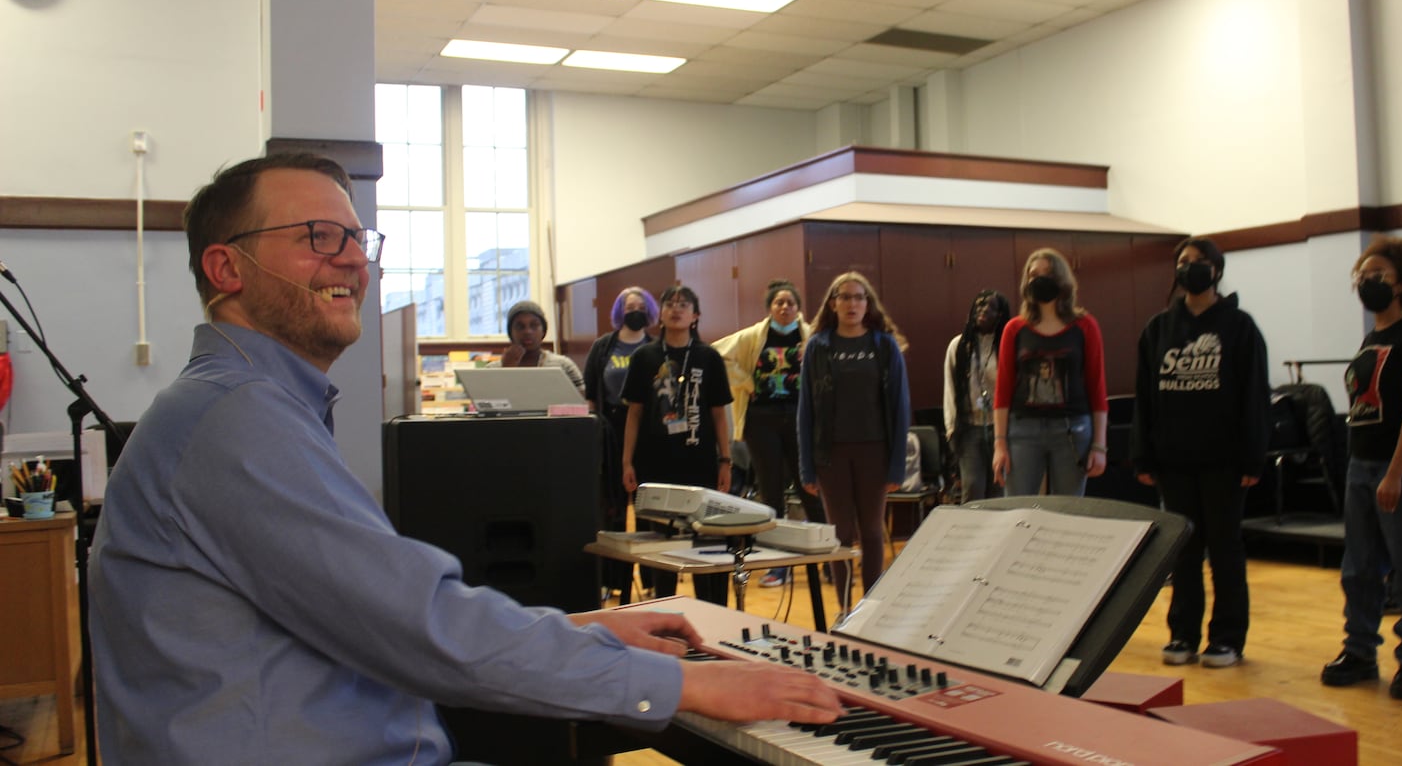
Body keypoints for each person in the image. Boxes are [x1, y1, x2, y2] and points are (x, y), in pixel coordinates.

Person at [85, 153, 841, 763]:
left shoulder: (246, 404)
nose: (353, 262)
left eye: (359, 240)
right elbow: (411, 623)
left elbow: (362, 614)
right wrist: (682, 685)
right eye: (320, 236)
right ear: (227, 270)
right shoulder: (235, 416)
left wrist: (577, 631)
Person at [1132, 237, 1270, 670]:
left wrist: (1253, 457)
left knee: (1225, 550)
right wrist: (1143, 455)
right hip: (1174, 460)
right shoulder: (1157, 329)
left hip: (1225, 461)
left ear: (1216, 270)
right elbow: (1144, 397)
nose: (1190, 268)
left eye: (1199, 262)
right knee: (1182, 552)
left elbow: (1255, 396)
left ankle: (1228, 638)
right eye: (1183, 261)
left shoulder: (1240, 327)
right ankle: (1182, 634)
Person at [1320, 236, 1402, 701]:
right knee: (1360, 567)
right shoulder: (1372, 338)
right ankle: (1359, 651)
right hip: (1363, 462)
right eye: (1362, 276)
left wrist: (1394, 473)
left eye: (1378, 277)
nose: (1367, 283)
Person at [798, 271, 911, 608]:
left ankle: (870, 607)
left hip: (875, 451)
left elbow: (900, 407)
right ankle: (845, 607)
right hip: (830, 454)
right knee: (840, 532)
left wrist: (896, 466)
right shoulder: (819, 347)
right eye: (844, 297)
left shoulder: (883, 345)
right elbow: (806, 410)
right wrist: (807, 467)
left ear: (868, 304)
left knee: (873, 532)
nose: (851, 303)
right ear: (833, 304)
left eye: (858, 297)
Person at [621, 284, 736, 603]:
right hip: (654, 462)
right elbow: (634, 414)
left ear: (695, 315)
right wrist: (626, 461)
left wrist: (725, 461)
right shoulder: (644, 357)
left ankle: (711, 614)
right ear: (660, 314)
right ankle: (665, 610)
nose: (676, 308)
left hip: (699, 462)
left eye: (683, 304)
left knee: (706, 544)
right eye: (669, 303)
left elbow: (718, 415)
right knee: (661, 546)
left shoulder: (708, 357)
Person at [712, 278, 824, 590]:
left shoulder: (813, 335)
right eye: (779, 302)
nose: (785, 307)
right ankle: (777, 564)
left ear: (799, 308)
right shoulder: (753, 336)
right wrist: (745, 382)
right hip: (761, 421)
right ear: (770, 308)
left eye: (790, 302)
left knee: (810, 488)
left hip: (802, 420)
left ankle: (825, 555)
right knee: (770, 492)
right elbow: (718, 354)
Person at [992, 248, 1108, 497]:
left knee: (1068, 514)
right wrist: (999, 443)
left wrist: (1099, 445)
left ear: (1062, 279)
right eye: (1034, 274)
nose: (1040, 279)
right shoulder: (1015, 328)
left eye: (1047, 273)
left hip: (1072, 430)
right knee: (1016, 511)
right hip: (1023, 430)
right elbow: (1003, 390)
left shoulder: (1085, 326)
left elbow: (1096, 387)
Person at [583, 286, 659, 598]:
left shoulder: (656, 347)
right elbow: (590, 393)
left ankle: (654, 580)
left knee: (649, 507)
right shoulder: (603, 347)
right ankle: (611, 580)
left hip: (647, 430)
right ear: (620, 311)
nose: (635, 310)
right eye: (630, 306)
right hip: (611, 429)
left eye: (641, 305)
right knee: (612, 507)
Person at [943, 290, 1011, 503]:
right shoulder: (959, 346)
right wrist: (951, 429)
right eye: (979, 305)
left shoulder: (1006, 345)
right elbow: (950, 390)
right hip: (969, 428)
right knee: (972, 489)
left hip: (1002, 429)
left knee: (999, 490)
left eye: (990, 307)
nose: (983, 310)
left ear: (1000, 315)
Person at [501, 299, 585, 393]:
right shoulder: (492, 370)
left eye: (534, 325)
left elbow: (582, 401)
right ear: (510, 333)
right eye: (520, 327)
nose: (527, 331)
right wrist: (506, 371)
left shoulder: (564, 365)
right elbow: (488, 403)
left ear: (543, 331)